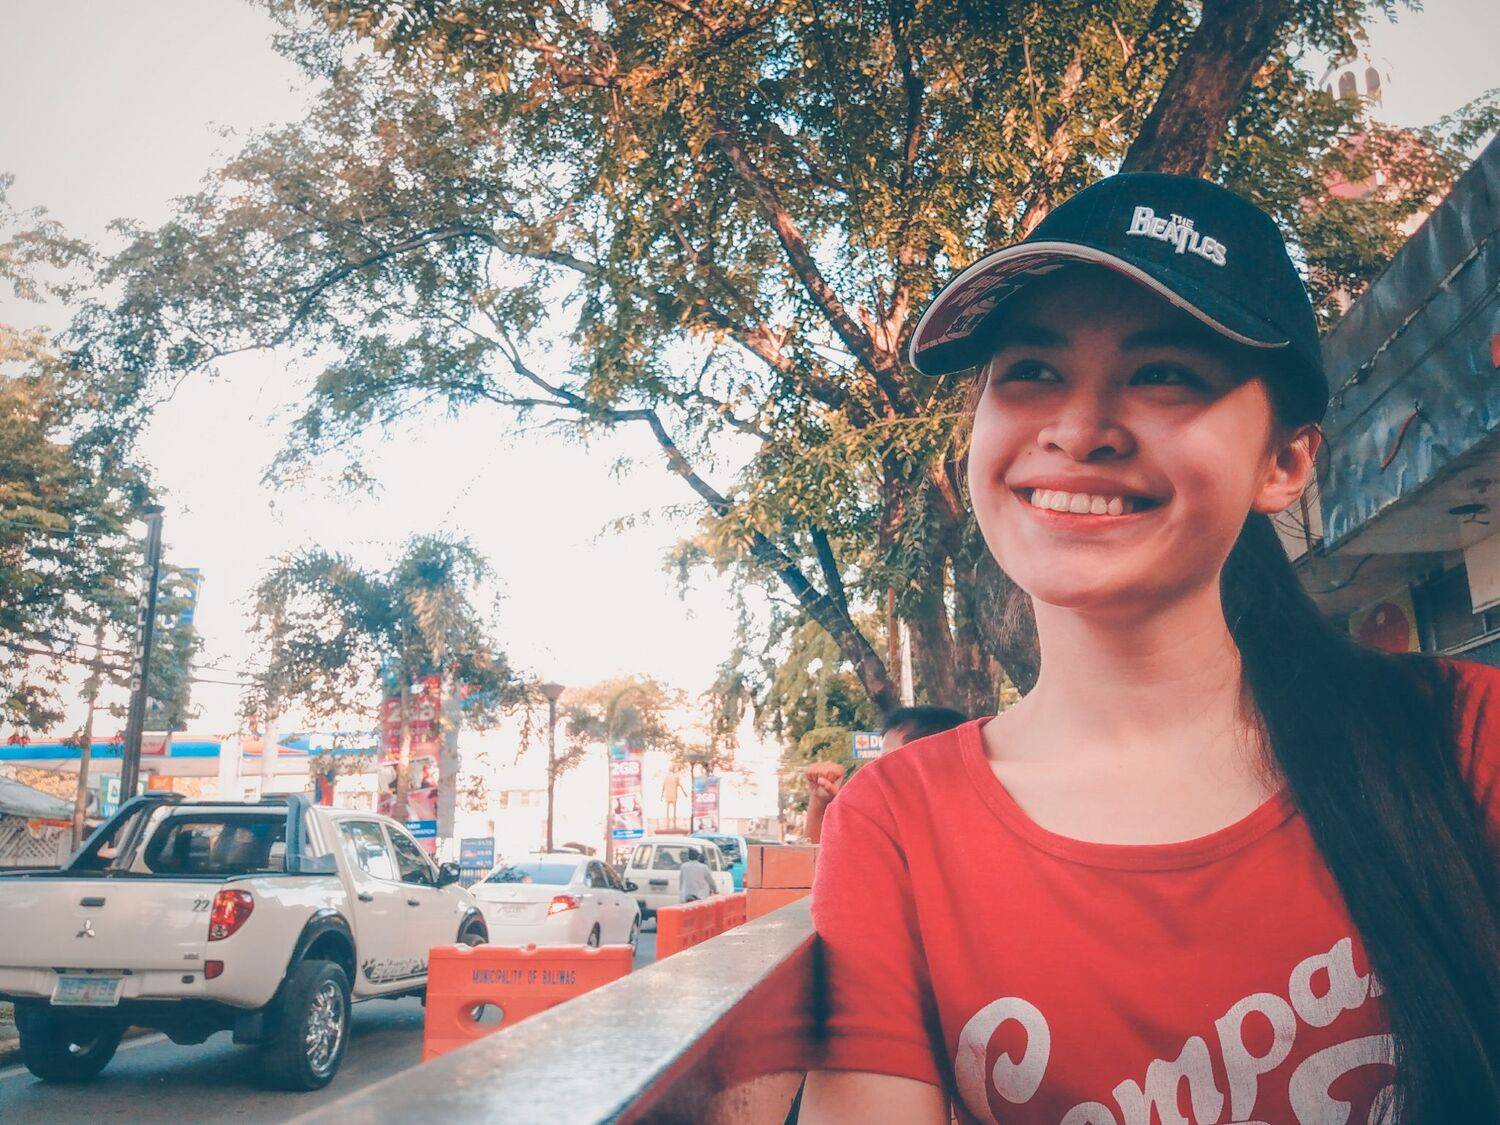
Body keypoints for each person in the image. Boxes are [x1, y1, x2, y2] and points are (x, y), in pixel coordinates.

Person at [801, 173, 1500, 1122]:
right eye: (1031, 370)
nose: (1077, 430)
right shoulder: (895, 825)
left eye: (1165, 372)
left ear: (1285, 462)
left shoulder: (1463, 738)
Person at [803, 706, 968, 845]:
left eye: (889, 761)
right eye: (878, 761)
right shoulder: (883, 822)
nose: (876, 771)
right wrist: (821, 802)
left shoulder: (963, 830)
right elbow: (819, 861)